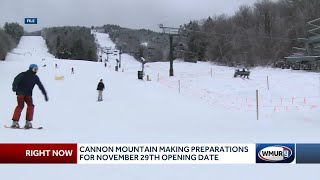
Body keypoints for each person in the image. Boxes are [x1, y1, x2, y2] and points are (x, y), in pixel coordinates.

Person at [11, 64, 48, 129]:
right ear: (30, 69)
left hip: (28, 94)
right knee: (20, 106)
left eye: (36, 69)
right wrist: (14, 87)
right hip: (21, 93)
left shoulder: (35, 77)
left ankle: (28, 122)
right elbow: (16, 80)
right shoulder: (23, 74)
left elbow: (41, 86)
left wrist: (45, 94)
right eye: (34, 69)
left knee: (30, 106)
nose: (35, 71)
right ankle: (15, 122)